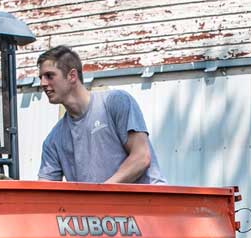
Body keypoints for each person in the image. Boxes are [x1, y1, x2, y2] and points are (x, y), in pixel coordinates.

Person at [36, 45, 165, 184]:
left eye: (49, 76)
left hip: (149, 202)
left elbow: (141, 157)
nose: (43, 83)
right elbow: (45, 189)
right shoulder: (53, 140)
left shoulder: (115, 102)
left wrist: (101, 192)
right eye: (41, 77)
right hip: (101, 204)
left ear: (72, 76)